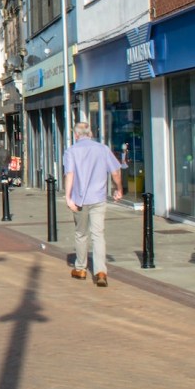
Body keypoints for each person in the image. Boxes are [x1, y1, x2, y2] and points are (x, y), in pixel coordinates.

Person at [63, 121, 123, 287]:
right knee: (98, 235)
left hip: (79, 199)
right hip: (98, 197)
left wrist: (68, 197)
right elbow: (115, 171)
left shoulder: (71, 151)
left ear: (76, 135)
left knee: (81, 234)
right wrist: (119, 189)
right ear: (90, 134)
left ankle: (81, 268)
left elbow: (70, 174)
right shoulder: (102, 149)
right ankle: (100, 272)